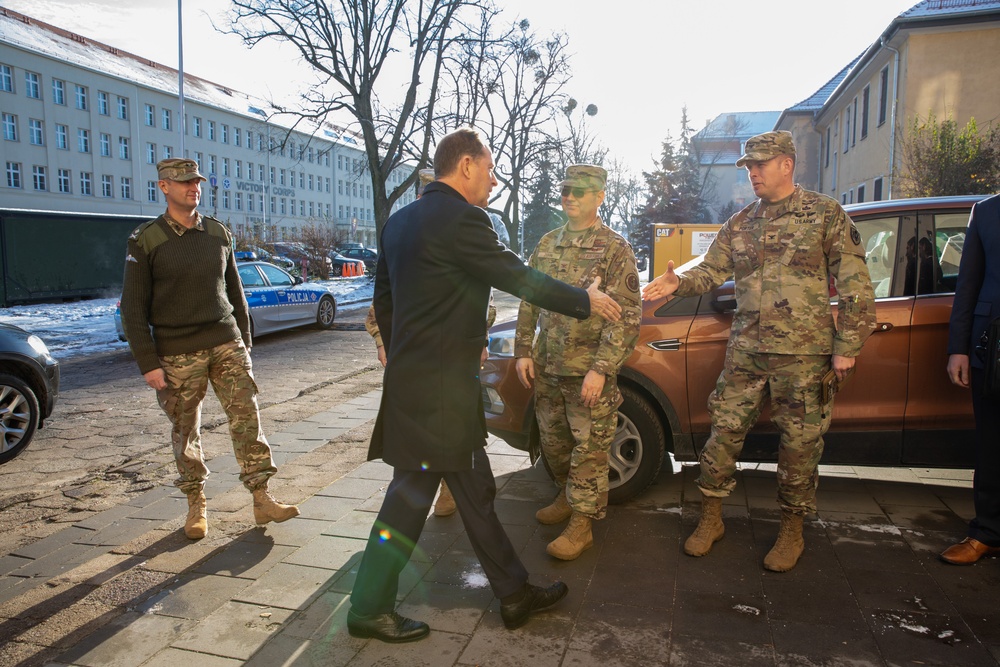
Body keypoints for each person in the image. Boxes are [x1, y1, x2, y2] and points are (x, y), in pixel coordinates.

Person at [347, 128, 624, 643]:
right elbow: (518, 277)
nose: (495, 180)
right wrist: (585, 299)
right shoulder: (463, 219)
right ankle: (368, 607)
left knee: (475, 491)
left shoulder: (400, 222)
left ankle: (514, 594)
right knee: (408, 499)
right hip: (440, 395)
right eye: (491, 169)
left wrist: (405, 352)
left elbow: (384, 301)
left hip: (423, 384)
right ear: (467, 166)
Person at [642, 131, 876, 572]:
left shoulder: (825, 214)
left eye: (760, 165)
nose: (752, 173)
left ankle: (792, 528)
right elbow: (711, 270)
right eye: (748, 167)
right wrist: (678, 282)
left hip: (804, 356)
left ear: (786, 164)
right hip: (747, 351)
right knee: (722, 436)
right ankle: (711, 518)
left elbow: (855, 284)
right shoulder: (742, 221)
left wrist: (847, 345)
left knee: (800, 445)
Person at [120, 158, 300, 541]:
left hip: (225, 342)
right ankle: (196, 505)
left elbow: (234, 291)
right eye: (183, 182)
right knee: (186, 430)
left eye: (196, 181)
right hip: (177, 353)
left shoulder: (218, 232)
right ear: (163, 187)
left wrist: (245, 340)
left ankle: (262, 496)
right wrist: (148, 363)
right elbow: (133, 309)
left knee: (247, 418)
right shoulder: (146, 239)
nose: (193, 187)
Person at [514, 164, 641, 561]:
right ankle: (566, 498)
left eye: (580, 191)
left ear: (599, 197)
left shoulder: (614, 249)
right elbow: (528, 296)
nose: (569, 195)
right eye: (566, 189)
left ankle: (582, 526)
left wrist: (601, 369)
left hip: (588, 372)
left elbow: (628, 317)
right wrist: (522, 349)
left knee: (589, 448)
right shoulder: (548, 243)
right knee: (554, 445)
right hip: (549, 365)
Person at [942, 193, 1000, 565]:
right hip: (990, 348)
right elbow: (968, 284)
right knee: (992, 445)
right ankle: (988, 533)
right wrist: (958, 348)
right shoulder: (988, 211)